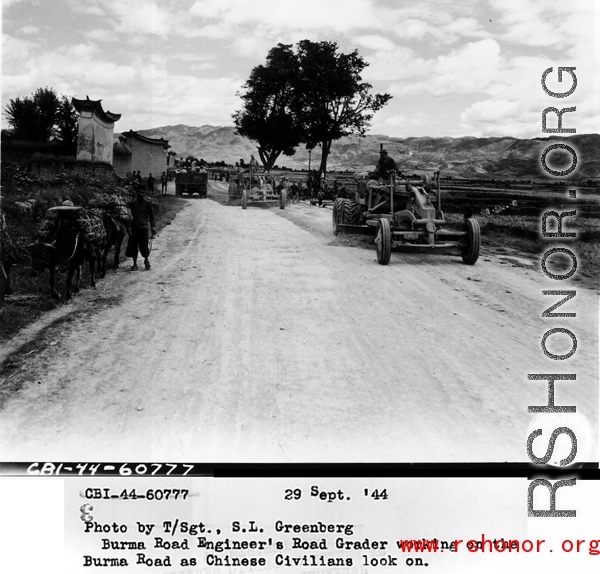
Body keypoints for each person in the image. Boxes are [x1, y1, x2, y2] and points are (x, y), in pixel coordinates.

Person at [126, 190, 156, 271]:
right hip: (134, 228)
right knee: (133, 246)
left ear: (144, 194)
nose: (140, 194)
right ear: (136, 193)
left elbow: (152, 215)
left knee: (144, 245)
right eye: (139, 192)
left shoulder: (147, 203)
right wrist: (127, 226)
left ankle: (146, 262)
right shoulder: (132, 204)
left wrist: (153, 226)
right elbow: (127, 215)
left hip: (144, 228)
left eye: (142, 192)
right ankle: (135, 264)